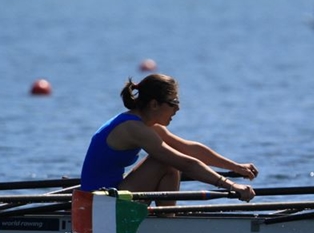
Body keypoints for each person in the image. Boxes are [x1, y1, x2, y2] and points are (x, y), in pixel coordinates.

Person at [80, 74, 257, 204]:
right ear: (154, 104)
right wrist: (231, 185)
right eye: (173, 102)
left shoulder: (146, 125)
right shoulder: (132, 128)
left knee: (171, 159)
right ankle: (168, 222)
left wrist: (236, 167)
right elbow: (187, 163)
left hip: (109, 195)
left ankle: (168, 218)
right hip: (97, 205)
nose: (178, 109)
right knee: (166, 161)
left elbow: (189, 148)